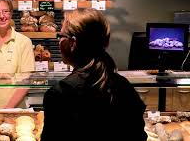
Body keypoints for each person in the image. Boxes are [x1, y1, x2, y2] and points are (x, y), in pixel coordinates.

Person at [41, 8, 147, 141]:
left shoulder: (60, 94)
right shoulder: (124, 87)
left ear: (73, 43)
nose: (59, 41)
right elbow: (138, 136)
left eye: (61, 36)